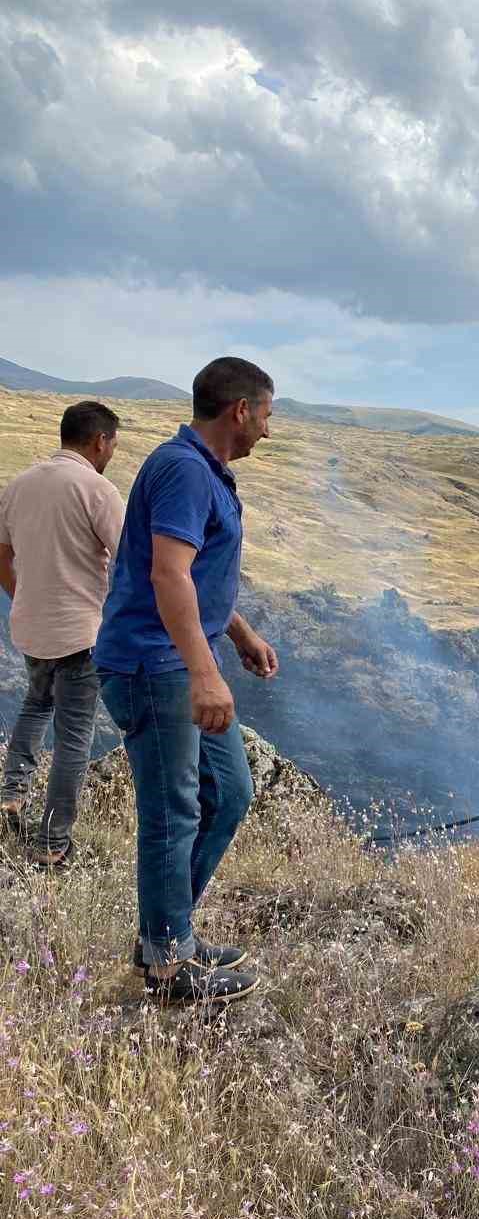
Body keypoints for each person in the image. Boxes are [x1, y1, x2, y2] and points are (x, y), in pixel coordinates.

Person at [95, 357, 278, 1005]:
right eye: (266, 415)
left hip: (175, 660)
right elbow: (168, 576)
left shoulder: (200, 473)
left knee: (229, 794)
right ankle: (169, 964)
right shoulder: (183, 470)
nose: (267, 430)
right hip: (154, 666)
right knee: (173, 812)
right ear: (240, 411)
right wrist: (206, 674)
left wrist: (239, 633)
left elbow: (195, 579)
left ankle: (168, 932)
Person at [0, 400, 125, 865]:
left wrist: (24, 596)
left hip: (30, 625)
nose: (111, 452)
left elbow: (2, 555)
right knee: (74, 735)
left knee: (35, 704)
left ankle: (10, 795)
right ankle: (53, 843)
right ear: (99, 441)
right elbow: (129, 558)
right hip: (81, 632)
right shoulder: (97, 489)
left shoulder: (18, 485)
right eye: (113, 444)